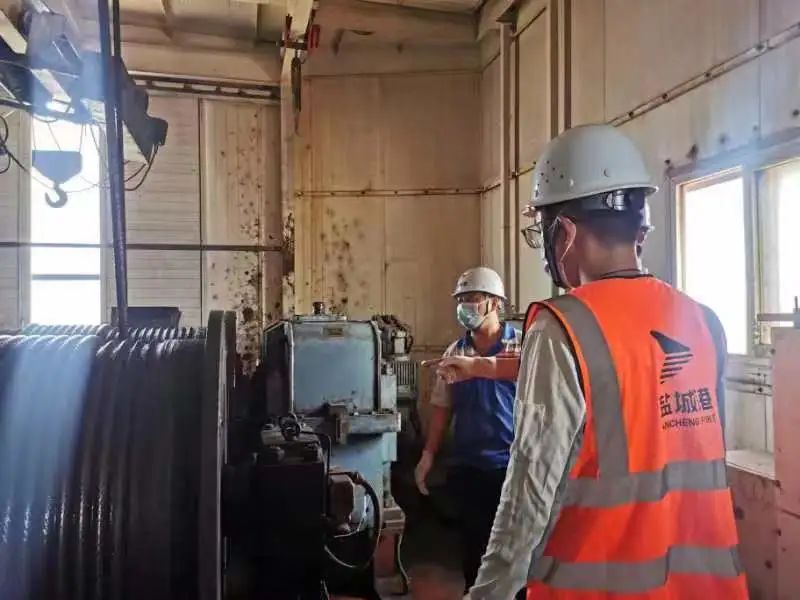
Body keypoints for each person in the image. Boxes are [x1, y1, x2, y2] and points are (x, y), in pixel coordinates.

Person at [439, 124, 746, 599]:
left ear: (563, 232)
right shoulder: (705, 322)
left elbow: (528, 495)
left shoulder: (564, 327)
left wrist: (488, 593)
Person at [414, 266, 521, 593]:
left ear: (494, 303)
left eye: (472, 298)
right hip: (469, 466)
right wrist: (428, 456)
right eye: (460, 300)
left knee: (514, 554)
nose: (464, 307)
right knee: (474, 550)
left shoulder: (522, 347)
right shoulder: (454, 353)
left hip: (512, 466)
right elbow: (442, 407)